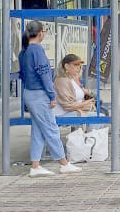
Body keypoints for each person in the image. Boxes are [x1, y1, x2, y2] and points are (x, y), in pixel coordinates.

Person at [18, 21, 80, 177]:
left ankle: (35, 165)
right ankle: (63, 163)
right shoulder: (37, 50)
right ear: (40, 33)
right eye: (44, 31)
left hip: (29, 93)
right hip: (40, 95)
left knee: (38, 130)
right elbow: (44, 74)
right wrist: (52, 95)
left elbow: (22, 75)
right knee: (51, 129)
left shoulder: (24, 52)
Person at [55, 53, 96, 121]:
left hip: (74, 111)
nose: (78, 68)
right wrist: (87, 102)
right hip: (63, 114)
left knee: (98, 115)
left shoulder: (72, 79)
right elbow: (67, 106)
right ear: (66, 66)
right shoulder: (62, 80)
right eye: (75, 65)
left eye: (80, 65)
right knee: (97, 117)